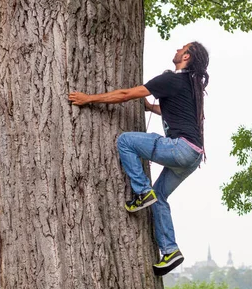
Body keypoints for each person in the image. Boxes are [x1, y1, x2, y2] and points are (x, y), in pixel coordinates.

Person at [68, 41, 209, 276]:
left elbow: (125, 95)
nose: (176, 49)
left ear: (186, 57)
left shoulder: (170, 80)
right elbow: (177, 112)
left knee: (126, 141)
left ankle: (142, 191)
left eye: (181, 48)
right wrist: (151, 108)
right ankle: (170, 250)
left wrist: (88, 99)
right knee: (160, 196)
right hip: (193, 156)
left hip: (180, 148)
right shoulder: (189, 85)